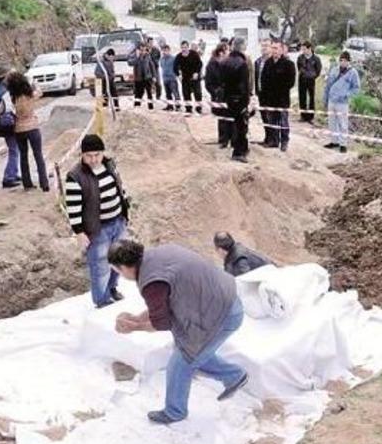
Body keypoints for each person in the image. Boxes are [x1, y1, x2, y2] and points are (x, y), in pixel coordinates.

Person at [110, 240, 248, 424]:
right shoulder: (159, 254)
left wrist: (134, 326)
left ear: (124, 268)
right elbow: (163, 303)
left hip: (219, 316)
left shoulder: (151, 282)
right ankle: (234, 376)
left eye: (116, 271)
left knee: (181, 363)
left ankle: (175, 412)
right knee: (192, 351)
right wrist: (137, 318)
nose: (118, 275)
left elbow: (162, 322)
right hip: (224, 301)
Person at [65, 134, 129, 308]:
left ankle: (112, 288)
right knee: (100, 265)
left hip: (118, 221)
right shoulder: (75, 176)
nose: (93, 159)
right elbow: (73, 208)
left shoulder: (109, 164)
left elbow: (120, 187)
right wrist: (79, 232)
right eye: (88, 156)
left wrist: (125, 211)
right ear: (82, 155)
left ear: (103, 153)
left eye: (96, 155)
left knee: (119, 259)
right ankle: (101, 300)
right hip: (97, 228)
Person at [6, 72, 49, 192]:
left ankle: (27, 183)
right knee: (38, 155)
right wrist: (34, 83)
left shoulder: (13, 97)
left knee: (23, 156)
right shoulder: (30, 95)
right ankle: (44, 182)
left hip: (19, 128)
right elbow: (40, 92)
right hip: (33, 126)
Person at [260, 40, 296, 152]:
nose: (274, 50)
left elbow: (291, 82)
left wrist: (279, 89)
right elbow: (263, 80)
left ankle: (284, 141)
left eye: (276, 48)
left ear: (281, 50)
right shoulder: (268, 63)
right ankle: (274, 141)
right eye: (273, 48)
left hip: (282, 99)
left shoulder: (288, 64)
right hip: (270, 99)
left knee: (283, 121)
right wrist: (265, 96)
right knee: (272, 121)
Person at [323, 51, 361, 153]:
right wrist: (325, 99)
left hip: (342, 102)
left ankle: (343, 144)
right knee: (332, 122)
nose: (343, 62)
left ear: (348, 61)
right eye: (341, 60)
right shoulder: (334, 70)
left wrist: (346, 95)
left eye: (345, 60)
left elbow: (356, 88)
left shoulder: (353, 73)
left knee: (343, 123)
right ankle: (334, 141)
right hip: (332, 100)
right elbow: (328, 85)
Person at [221, 38, 252, 162]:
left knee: (231, 124)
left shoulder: (224, 62)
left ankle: (242, 148)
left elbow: (221, 81)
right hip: (239, 99)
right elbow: (244, 85)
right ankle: (238, 152)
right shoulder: (242, 63)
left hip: (228, 98)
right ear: (242, 47)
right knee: (241, 127)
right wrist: (246, 101)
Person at [0, 65, 21, 188]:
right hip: (7, 121)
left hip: (0, 122)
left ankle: (13, 172)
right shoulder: (4, 92)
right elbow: (10, 108)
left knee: (14, 148)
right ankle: (8, 177)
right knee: (14, 150)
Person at [205, 42, 231, 148]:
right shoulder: (211, 65)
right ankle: (223, 139)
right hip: (218, 96)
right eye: (227, 51)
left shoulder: (228, 63)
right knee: (222, 118)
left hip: (229, 95)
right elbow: (208, 83)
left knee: (230, 117)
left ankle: (231, 138)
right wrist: (215, 92)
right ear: (221, 53)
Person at [173, 40, 204, 114]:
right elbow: (174, 67)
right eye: (182, 47)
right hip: (185, 78)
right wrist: (178, 75)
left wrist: (196, 72)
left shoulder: (194, 54)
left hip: (195, 77)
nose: (184, 49)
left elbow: (200, 64)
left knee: (198, 93)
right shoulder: (179, 56)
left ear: (188, 47)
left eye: (185, 47)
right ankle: (188, 109)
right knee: (186, 94)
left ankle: (198, 108)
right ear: (181, 48)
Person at [296, 41, 322, 123]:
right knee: (302, 98)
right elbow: (299, 67)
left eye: (304, 49)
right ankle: (303, 116)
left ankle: (310, 117)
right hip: (302, 80)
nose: (303, 51)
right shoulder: (300, 58)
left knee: (311, 98)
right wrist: (303, 73)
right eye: (302, 49)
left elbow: (318, 70)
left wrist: (312, 76)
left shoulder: (316, 59)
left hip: (311, 81)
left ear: (309, 48)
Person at [254, 39, 274, 146]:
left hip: (270, 94)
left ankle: (273, 139)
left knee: (271, 116)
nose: (264, 48)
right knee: (264, 117)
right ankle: (267, 137)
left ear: (271, 47)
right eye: (262, 46)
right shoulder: (258, 62)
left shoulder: (273, 61)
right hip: (261, 93)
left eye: (266, 45)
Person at [128, 43, 156, 110]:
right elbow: (130, 63)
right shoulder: (134, 56)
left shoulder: (148, 56)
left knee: (149, 93)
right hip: (138, 78)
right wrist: (137, 57)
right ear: (138, 50)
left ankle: (151, 107)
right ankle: (137, 107)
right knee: (138, 93)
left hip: (147, 77)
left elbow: (152, 66)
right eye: (141, 50)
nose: (143, 51)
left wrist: (154, 76)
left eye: (144, 50)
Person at [159, 45, 181, 111]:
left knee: (175, 92)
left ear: (169, 51)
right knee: (168, 94)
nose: (165, 52)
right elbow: (162, 67)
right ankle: (170, 106)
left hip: (172, 78)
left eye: (166, 50)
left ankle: (178, 106)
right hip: (165, 79)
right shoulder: (161, 59)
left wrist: (177, 74)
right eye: (164, 50)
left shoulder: (173, 58)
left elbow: (178, 67)